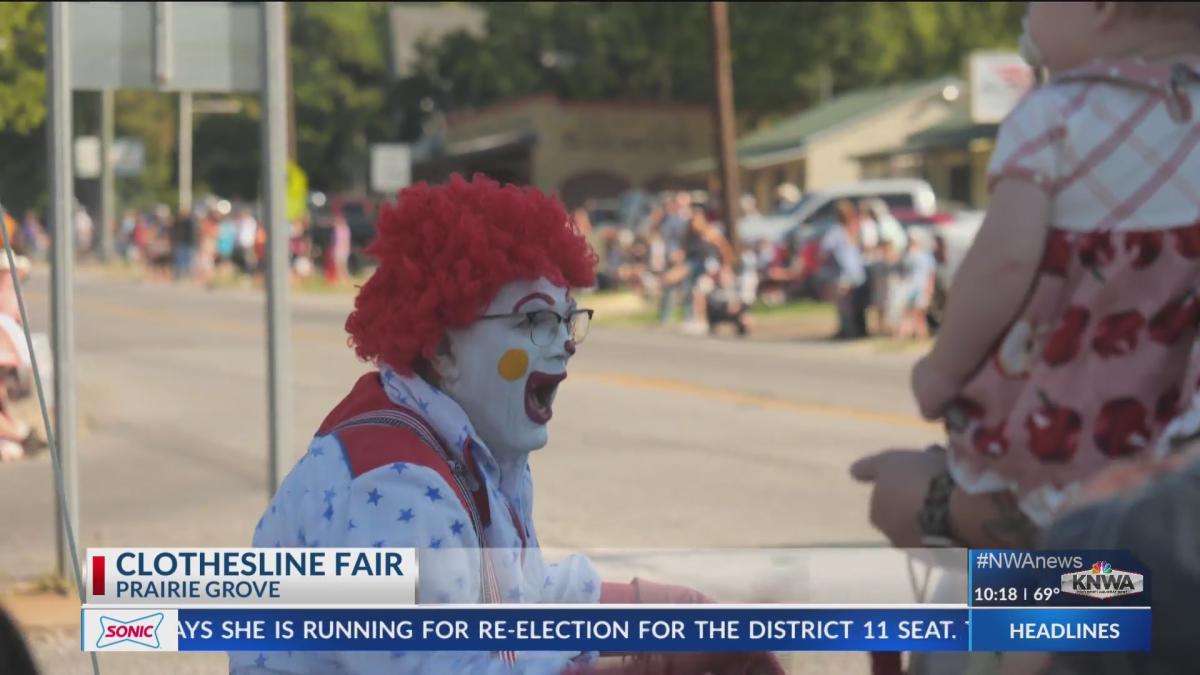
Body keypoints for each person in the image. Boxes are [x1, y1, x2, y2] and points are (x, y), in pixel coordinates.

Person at [229, 174, 782, 675]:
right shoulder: (395, 487)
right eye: (535, 320)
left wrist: (671, 613)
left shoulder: (467, 450)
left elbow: (520, 603)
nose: (566, 341)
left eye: (568, 318)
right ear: (442, 348)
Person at [851, 0, 1200, 550]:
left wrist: (942, 371)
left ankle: (1040, 605)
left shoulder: (1054, 116)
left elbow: (1003, 262)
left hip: (1079, 411)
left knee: (1059, 572)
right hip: (1180, 428)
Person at [817, 200, 868, 340]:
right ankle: (855, 330)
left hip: (843, 273)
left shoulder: (835, 232)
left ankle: (848, 331)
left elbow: (824, 252)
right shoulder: (852, 232)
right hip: (856, 272)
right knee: (853, 303)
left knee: (844, 304)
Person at [889, 228, 937, 340]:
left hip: (921, 287)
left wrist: (929, 288)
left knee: (918, 313)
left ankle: (920, 335)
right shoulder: (909, 255)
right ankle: (906, 333)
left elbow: (931, 274)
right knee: (908, 312)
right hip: (909, 287)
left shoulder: (926, 256)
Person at [171, 207, 197, 281]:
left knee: (187, 260)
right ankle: (178, 275)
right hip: (180, 243)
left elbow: (192, 234)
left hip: (187, 243)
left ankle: (187, 276)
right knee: (179, 260)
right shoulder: (177, 222)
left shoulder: (189, 222)